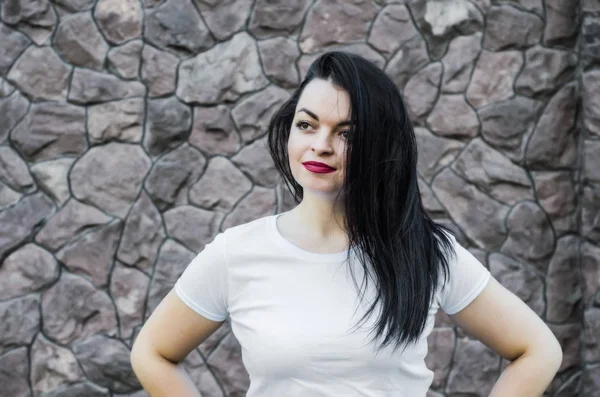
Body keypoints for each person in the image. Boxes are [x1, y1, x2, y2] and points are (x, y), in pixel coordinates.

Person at [130, 52, 563, 397]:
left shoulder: (426, 252)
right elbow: (152, 353)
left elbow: (538, 351)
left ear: (379, 145)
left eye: (347, 133)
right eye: (307, 125)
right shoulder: (236, 253)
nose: (320, 146)